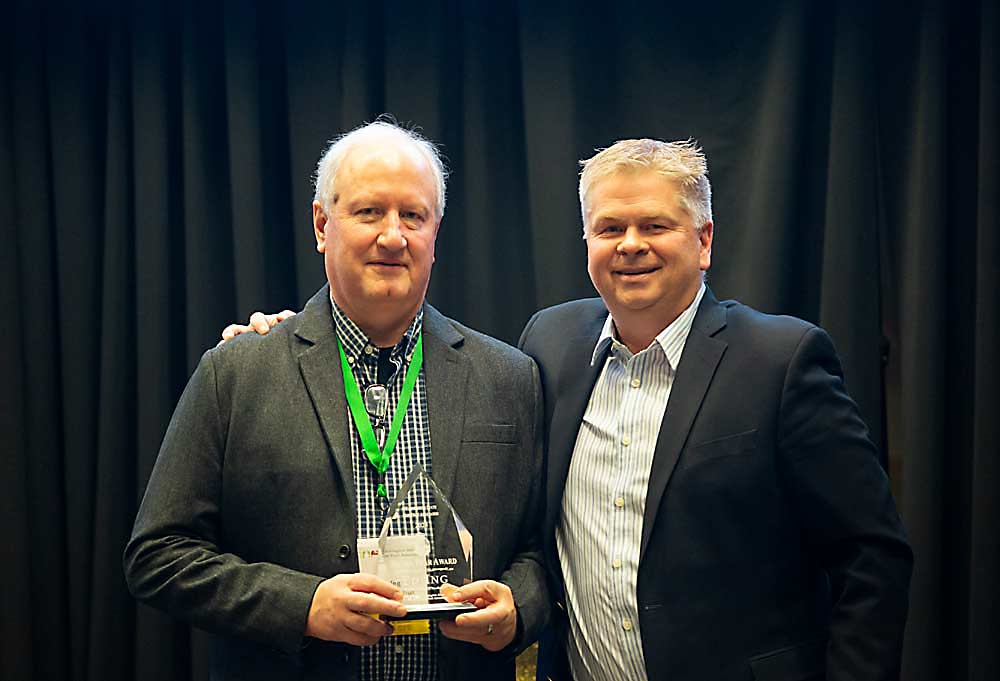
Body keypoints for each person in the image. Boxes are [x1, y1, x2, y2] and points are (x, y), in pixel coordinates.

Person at [224, 138, 913, 681]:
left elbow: (871, 556)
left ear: (704, 240)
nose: (631, 244)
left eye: (656, 225)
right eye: (610, 226)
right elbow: (530, 535)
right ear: (586, 243)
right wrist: (289, 343)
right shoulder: (547, 349)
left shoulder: (781, 359)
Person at [124, 121, 548, 681]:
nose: (393, 236)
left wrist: (517, 606)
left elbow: (544, 551)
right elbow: (157, 556)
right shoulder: (238, 372)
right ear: (323, 224)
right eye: (370, 212)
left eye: (412, 216)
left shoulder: (510, 378)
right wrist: (303, 605)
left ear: (435, 232)